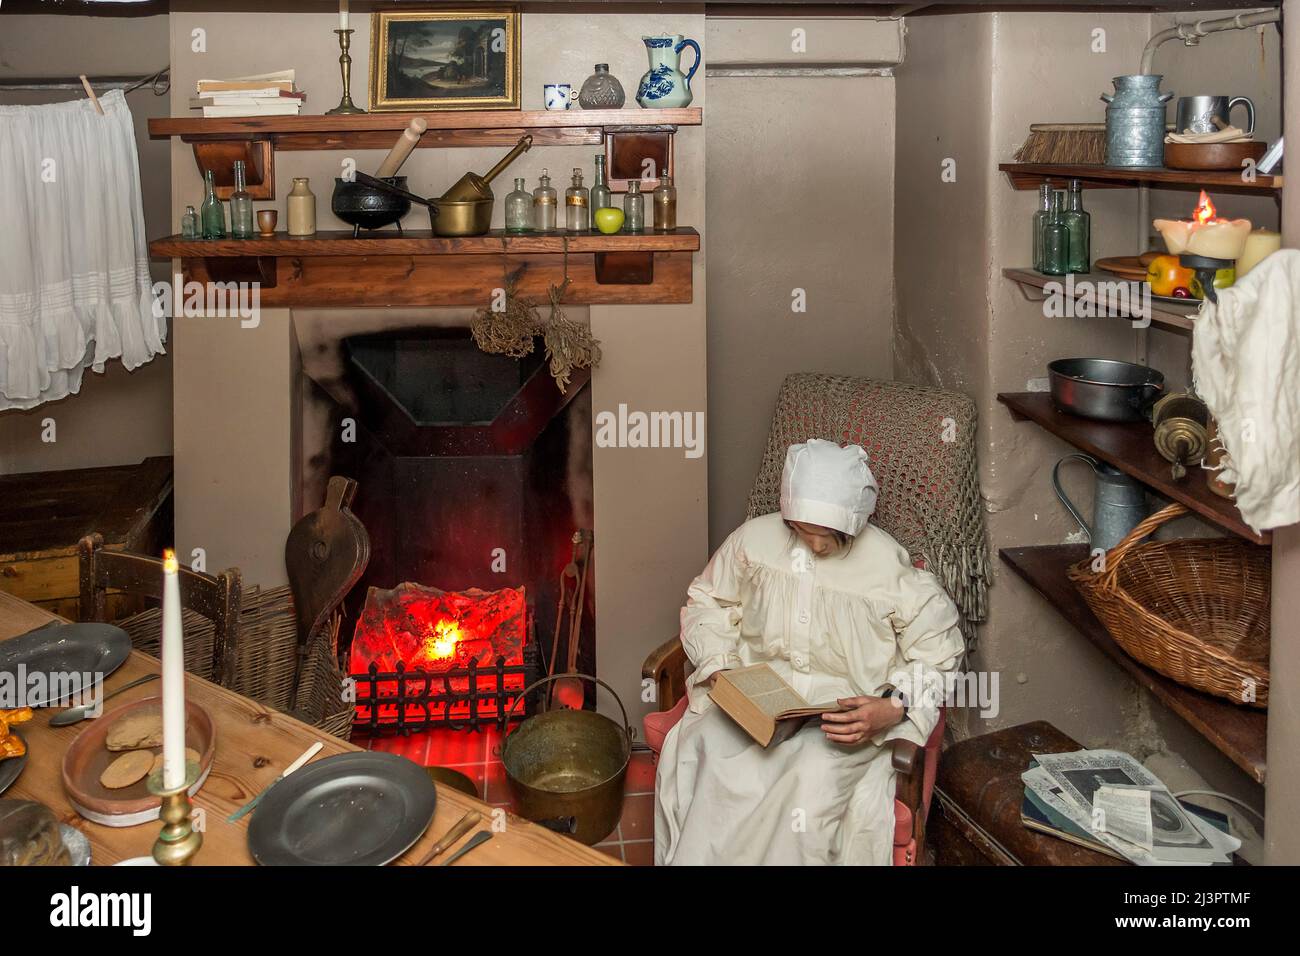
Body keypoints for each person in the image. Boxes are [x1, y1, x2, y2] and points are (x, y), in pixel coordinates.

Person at [654, 439, 965, 865]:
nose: (815, 547)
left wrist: (893, 707)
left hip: (842, 721)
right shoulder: (753, 541)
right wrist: (722, 669)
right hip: (759, 700)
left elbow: (940, 655)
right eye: (803, 531)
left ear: (854, 523)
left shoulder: (890, 569)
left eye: (828, 537)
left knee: (808, 787)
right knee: (716, 761)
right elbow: (707, 601)